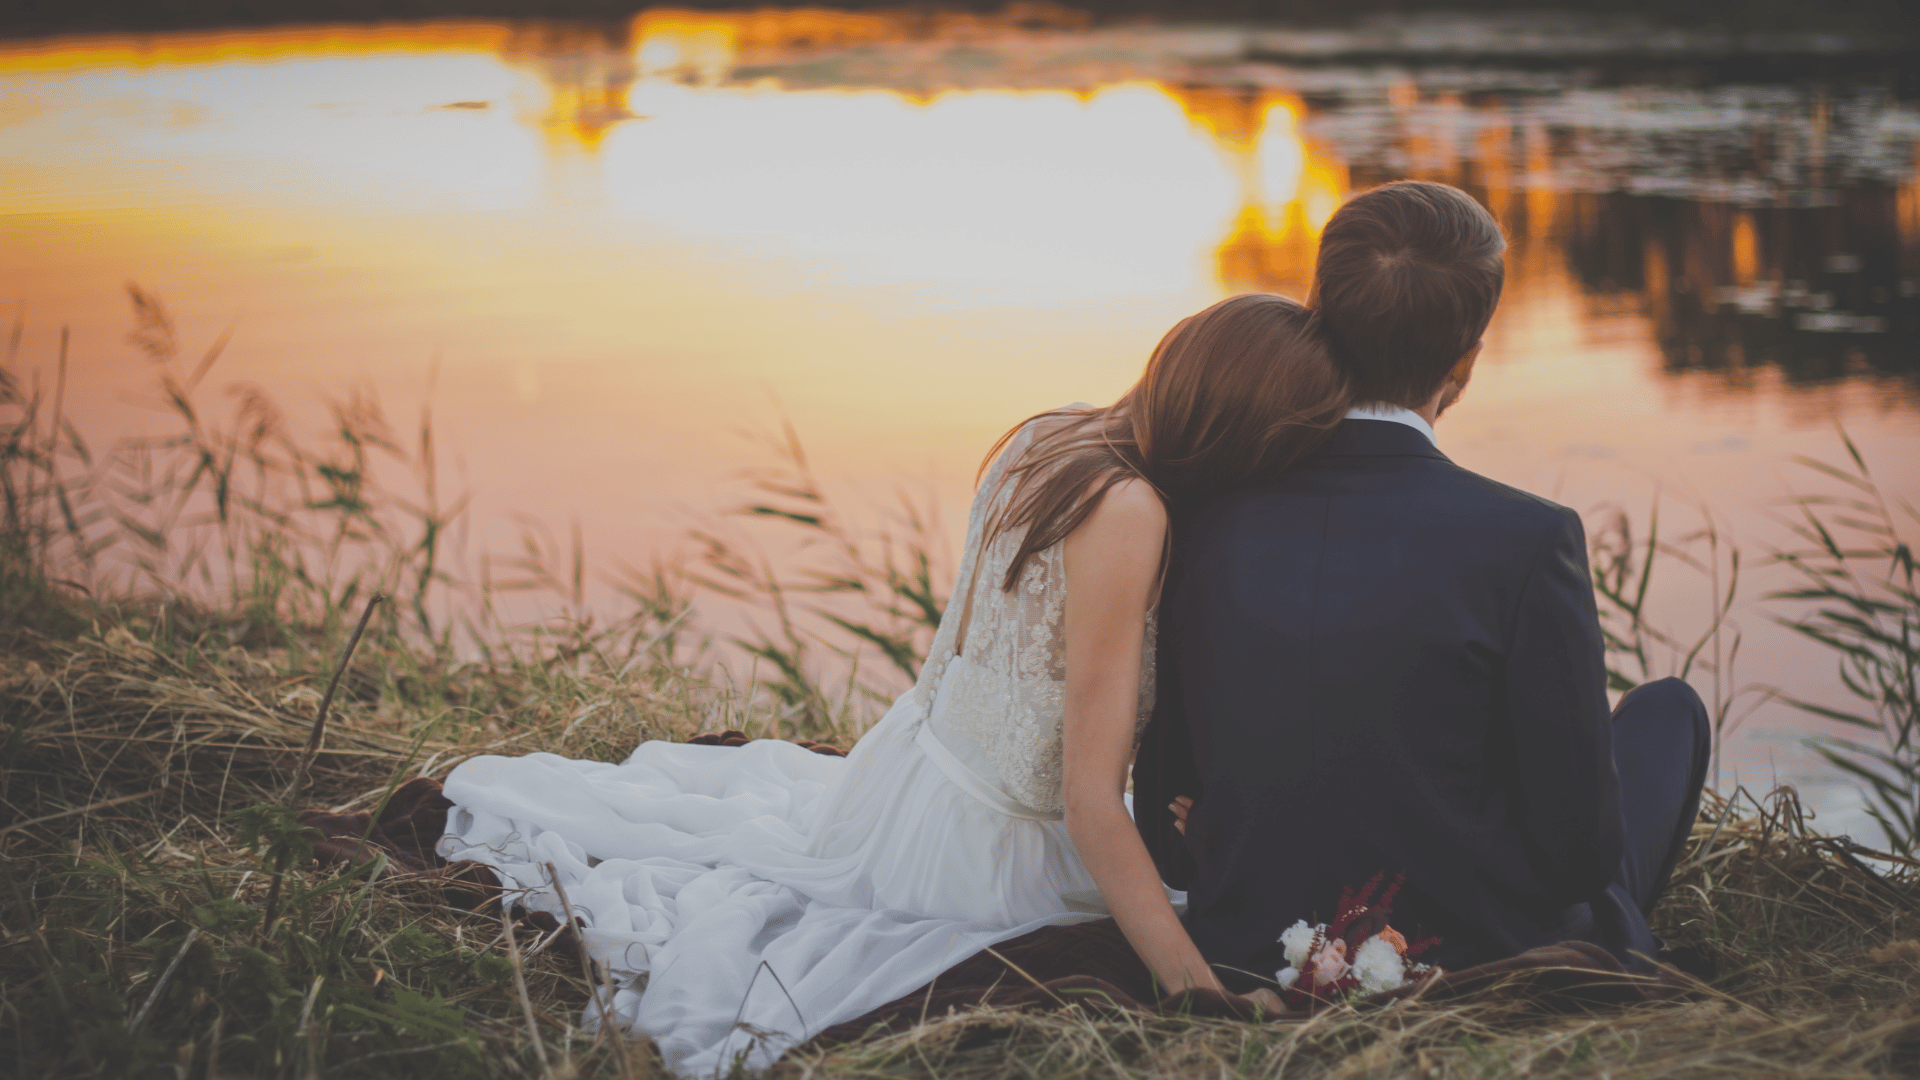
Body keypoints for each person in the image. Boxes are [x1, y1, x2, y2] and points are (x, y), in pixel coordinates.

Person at [436, 294, 1348, 1074]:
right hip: (982, 852)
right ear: (1244, 436)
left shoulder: (1054, 433)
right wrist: (1196, 994)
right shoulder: (1131, 512)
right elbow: (1085, 798)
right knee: (1189, 930)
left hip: (905, 777)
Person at [1134, 180, 1712, 984]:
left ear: (1318, 318)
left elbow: (1164, 824)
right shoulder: (1530, 539)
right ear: (1467, 359)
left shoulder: (1201, 520)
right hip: (1466, 946)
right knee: (1668, 714)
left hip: (1251, 938)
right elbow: (1577, 859)